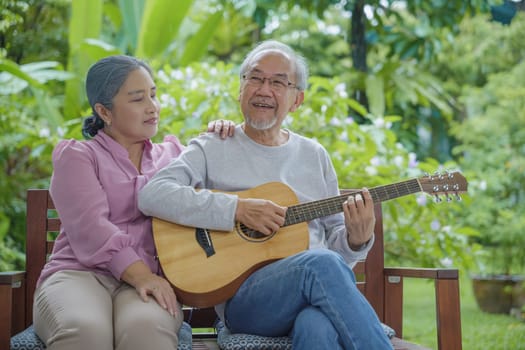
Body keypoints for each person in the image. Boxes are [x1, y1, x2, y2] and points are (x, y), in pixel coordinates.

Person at [138, 41, 393, 349]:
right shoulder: (214, 146)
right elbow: (153, 194)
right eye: (255, 78)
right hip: (247, 304)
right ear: (241, 88)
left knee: (317, 327)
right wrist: (237, 209)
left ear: (296, 100)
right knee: (320, 264)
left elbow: (337, 255)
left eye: (277, 82)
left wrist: (356, 241)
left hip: (310, 297)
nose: (263, 89)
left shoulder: (314, 155)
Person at [32, 55, 235, 350]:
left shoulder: (174, 156)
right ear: (104, 111)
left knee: (147, 330)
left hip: (151, 281)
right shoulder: (77, 157)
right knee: (85, 330)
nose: (152, 106)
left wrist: (224, 136)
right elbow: (91, 228)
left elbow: (216, 199)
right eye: (138, 99)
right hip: (79, 275)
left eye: (153, 94)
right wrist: (140, 275)